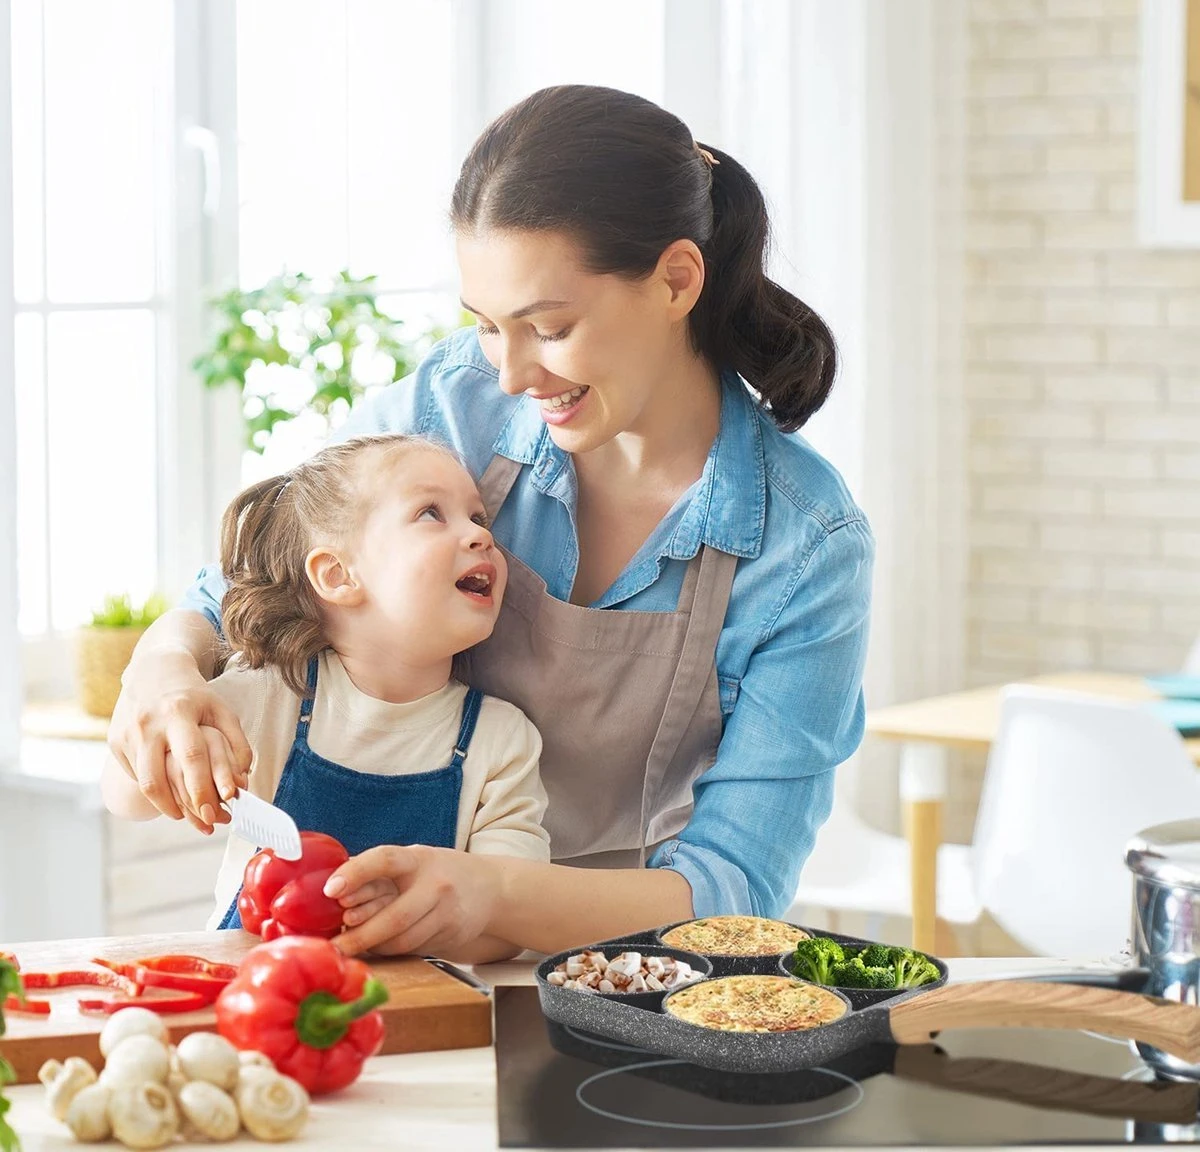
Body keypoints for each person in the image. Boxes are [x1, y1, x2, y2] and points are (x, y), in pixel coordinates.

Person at [108, 83, 874, 962]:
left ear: (676, 280)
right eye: (485, 327)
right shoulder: (454, 404)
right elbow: (242, 587)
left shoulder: (806, 547)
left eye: (548, 328)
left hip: (617, 972)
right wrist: (163, 671)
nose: (511, 375)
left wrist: (494, 892)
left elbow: (736, 887)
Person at [101, 434, 549, 962]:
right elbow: (125, 799)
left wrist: (409, 917)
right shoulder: (271, 695)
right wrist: (173, 758)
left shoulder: (502, 741)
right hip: (254, 991)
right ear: (337, 576)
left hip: (416, 1005)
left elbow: (511, 923)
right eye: (431, 513)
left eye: (478, 518)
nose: (480, 536)